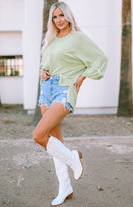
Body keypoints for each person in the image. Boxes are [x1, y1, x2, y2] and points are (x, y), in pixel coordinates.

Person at [33, 1, 108, 206]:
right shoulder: (50, 39)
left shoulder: (78, 38)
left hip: (64, 89)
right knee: (55, 142)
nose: (59, 20)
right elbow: (46, 63)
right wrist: (43, 71)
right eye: (55, 17)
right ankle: (65, 187)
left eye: (62, 15)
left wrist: (83, 77)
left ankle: (74, 157)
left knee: (39, 135)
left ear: (68, 16)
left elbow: (100, 59)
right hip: (46, 91)